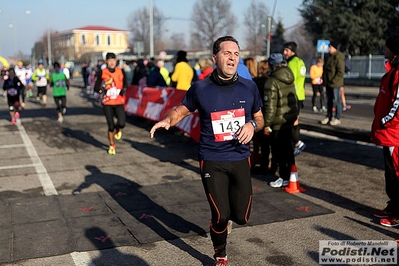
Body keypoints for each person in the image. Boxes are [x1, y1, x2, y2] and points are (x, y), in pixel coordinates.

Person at [149, 36, 264, 265]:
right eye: (227, 53)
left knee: (241, 216)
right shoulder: (201, 88)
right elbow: (181, 111)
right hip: (212, 158)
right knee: (220, 215)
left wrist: (252, 125)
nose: (232, 58)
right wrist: (168, 121)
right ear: (215, 58)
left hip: (240, 157)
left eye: (236, 54)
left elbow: (259, 118)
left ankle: (229, 221)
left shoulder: (249, 86)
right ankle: (220, 253)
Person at [370, 34, 399, 227]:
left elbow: (397, 103)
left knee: (396, 174)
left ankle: (397, 214)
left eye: (386, 46)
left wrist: (384, 121)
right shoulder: (392, 70)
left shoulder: (398, 73)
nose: (383, 49)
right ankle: (393, 206)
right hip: (387, 133)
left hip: (394, 134)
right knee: (389, 173)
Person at [263, 54, 298, 188]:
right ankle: (291, 176)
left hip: (277, 122)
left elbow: (270, 107)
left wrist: (266, 124)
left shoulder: (271, 81)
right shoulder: (289, 77)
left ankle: (283, 177)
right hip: (288, 120)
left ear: (271, 65)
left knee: (279, 151)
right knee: (288, 149)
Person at [94, 52, 127, 155]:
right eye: (110, 60)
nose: (112, 63)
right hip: (107, 102)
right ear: (106, 61)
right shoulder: (102, 72)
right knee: (110, 125)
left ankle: (118, 129)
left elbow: (125, 83)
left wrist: (124, 89)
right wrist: (101, 91)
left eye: (114, 60)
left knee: (122, 123)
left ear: (116, 61)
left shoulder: (121, 71)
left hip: (119, 101)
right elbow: (96, 86)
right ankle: (112, 145)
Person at [283, 42, 306, 156]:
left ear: (292, 51)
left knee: (291, 121)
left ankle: (296, 143)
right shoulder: (301, 62)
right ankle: (296, 142)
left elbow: (289, 80)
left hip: (293, 95)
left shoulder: (291, 63)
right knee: (296, 119)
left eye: (287, 50)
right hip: (300, 94)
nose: (284, 53)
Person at [320, 40, 345, 126]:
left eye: (330, 47)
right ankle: (328, 116)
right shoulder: (328, 57)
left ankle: (337, 118)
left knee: (337, 100)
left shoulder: (338, 56)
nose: (328, 48)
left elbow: (340, 71)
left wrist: (334, 80)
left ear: (334, 48)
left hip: (335, 83)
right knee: (329, 101)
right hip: (328, 83)